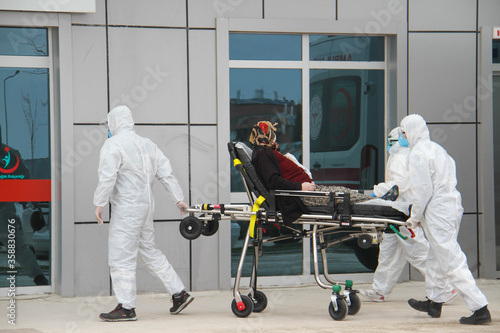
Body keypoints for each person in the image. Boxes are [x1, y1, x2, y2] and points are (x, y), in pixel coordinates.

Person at [93, 105, 193, 322]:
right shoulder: (148, 144)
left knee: (121, 257)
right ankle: (179, 293)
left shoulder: (113, 144)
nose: (108, 128)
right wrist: (178, 198)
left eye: (109, 124)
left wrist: (99, 203)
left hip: (127, 209)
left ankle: (126, 307)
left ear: (114, 123)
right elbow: (166, 174)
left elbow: (107, 177)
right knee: (149, 251)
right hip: (146, 208)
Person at [401, 114, 491, 325]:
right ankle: (435, 301)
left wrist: (414, 217)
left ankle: (479, 307)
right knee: (436, 255)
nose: (403, 137)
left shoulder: (417, 154)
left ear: (413, 131)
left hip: (437, 209)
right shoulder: (436, 148)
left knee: (450, 258)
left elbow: (423, 191)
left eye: (404, 132)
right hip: (450, 205)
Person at [360, 127, 455, 302]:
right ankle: (380, 290)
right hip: (394, 213)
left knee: (418, 253)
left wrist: (376, 192)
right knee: (389, 253)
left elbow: (398, 185)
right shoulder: (405, 157)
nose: (390, 145)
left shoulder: (401, 158)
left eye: (392, 141)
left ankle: (446, 289)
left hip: (401, 213)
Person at [248, 121, 397, 224]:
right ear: (266, 135)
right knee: (343, 195)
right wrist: (300, 187)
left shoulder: (266, 153)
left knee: (343, 192)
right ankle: (382, 202)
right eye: (272, 133)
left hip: (304, 193)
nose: (275, 136)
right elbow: (273, 181)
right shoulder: (263, 154)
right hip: (301, 197)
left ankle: (379, 200)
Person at [0, 124, 49, 286]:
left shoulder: (10, 154)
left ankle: (39, 277)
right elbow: (25, 178)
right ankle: (38, 277)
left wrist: (32, 200)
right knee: (16, 244)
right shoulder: (11, 153)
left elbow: (25, 179)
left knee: (16, 244)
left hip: (4, 207)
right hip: (5, 207)